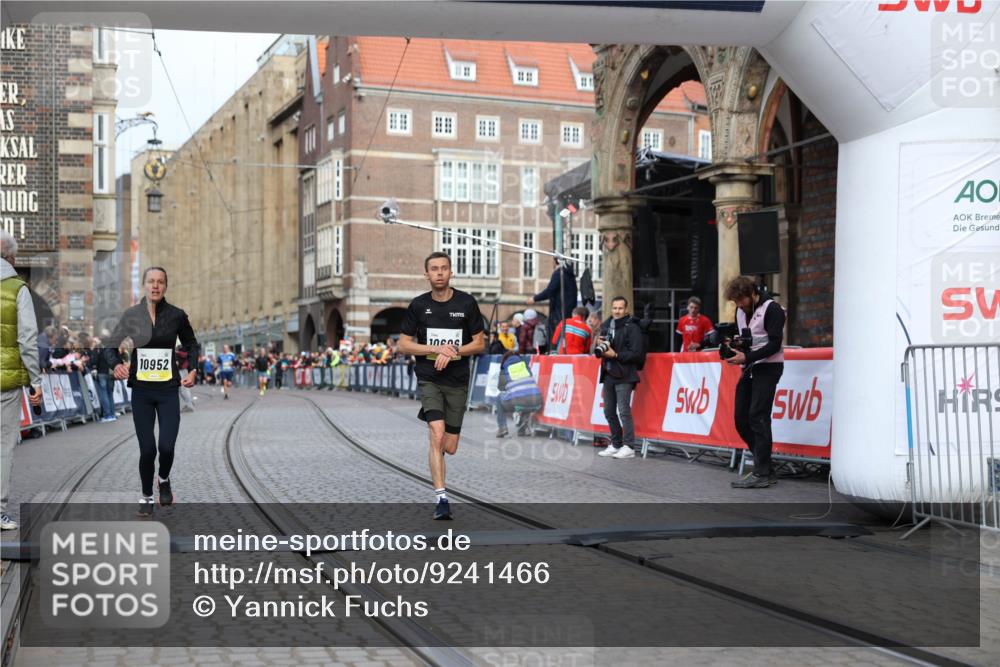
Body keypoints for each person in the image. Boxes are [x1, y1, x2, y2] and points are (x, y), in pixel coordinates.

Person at [104, 266, 198, 517]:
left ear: (165, 286)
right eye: (151, 281)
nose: (155, 286)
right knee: (148, 449)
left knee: (166, 447)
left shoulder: (177, 315)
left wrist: (192, 369)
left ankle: (164, 479)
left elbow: (191, 344)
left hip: (168, 390)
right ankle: (146, 495)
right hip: (142, 392)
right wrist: (116, 365)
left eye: (160, 282)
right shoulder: (132, 315)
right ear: (144, 285)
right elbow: (109, 347)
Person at [397, 252, 485, 520]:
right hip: (429, 378)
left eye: (443, 269)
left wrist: (453, 352)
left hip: (457, 381)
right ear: (426, 274)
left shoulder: (467, 303)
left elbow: (480, 343)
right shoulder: (418, 305)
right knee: (436, 434)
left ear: (451, 272)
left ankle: (441, 449)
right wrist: (435, 349)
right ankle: (442, 498)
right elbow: (403, 344)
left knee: (450, 446)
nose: (438, 273)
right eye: (433, 269)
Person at [724, 276, 785, 489]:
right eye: (735, 302)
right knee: (741, 419)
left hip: (769, 367)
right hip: (749, 367)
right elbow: (745, 338)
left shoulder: (772, 309)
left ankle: (762, 471)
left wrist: (746, 357)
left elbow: (775, 344)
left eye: (741, 300)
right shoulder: (740, 311)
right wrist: (734, 345)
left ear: (752, 293)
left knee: (758, 416)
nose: (739, 305)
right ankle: (765, 466)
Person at [0, 231, 43, 530]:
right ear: (12, 257)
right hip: (6, 382)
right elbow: (27, 338)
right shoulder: (18, 289)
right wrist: (35, 382)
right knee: (3, 446)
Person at [595, 296, 645, 460]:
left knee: (624, 411)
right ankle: (616, 443)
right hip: (609, 373)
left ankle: (629, 446)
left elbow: (636, 354)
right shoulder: (607, 326)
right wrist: (599, 345)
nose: (617, 311)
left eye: (620, 308)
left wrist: (615, 354)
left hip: (625, 374)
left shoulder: (633, 327)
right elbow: (600, 351)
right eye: (614, 308)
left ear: (626, 309)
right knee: (608, 411)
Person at [492, 350, 542, 438]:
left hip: (518, 401)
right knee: (525, 397)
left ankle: (502, 427)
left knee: (499, 398)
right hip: (537, 402)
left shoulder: (505, 368)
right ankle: (521, 430)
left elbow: (501, 388)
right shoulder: (525, 366)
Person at [528, 258, 577, 346]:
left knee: (553, 334)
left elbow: (550, 290)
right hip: (569, 312)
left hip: (559, 312)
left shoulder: (559, 274)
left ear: (556, 261)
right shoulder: (570, 274)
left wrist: (535, 298)